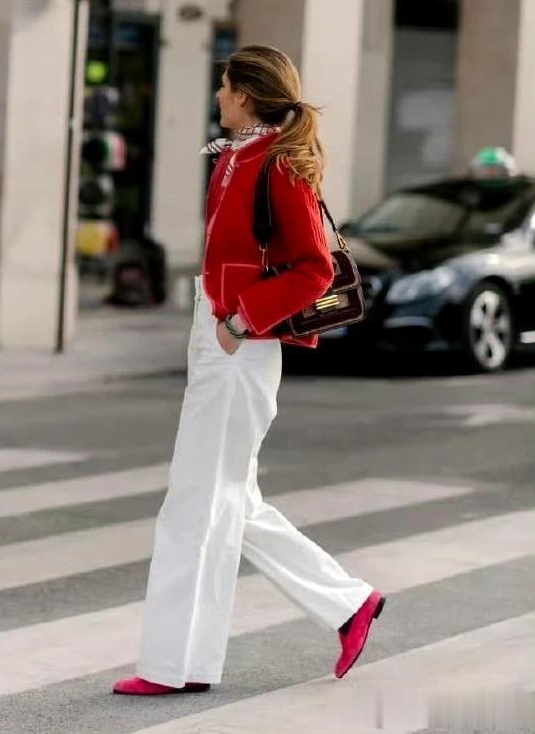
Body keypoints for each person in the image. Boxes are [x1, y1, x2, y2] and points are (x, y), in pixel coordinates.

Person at [113, 45, 385, 697]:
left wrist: (240, 322)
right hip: (217, 336)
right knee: (230, 499)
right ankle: (348, 604)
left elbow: (315, 269)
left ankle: (171, 666)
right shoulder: (237, 156)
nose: (217, 95)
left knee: (195, 502)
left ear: (245, 94)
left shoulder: (279, 165)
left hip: (240, 343)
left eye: (224, 85)